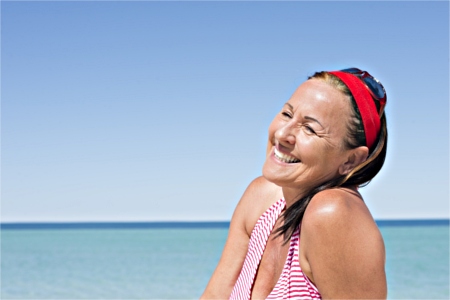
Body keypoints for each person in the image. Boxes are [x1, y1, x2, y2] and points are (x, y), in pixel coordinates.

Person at [201, 68, 388, 299]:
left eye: (309, 128)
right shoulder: (260, 197)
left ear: (350, 160)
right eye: (287, 115)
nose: (282, 134)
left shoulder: (331, 212)